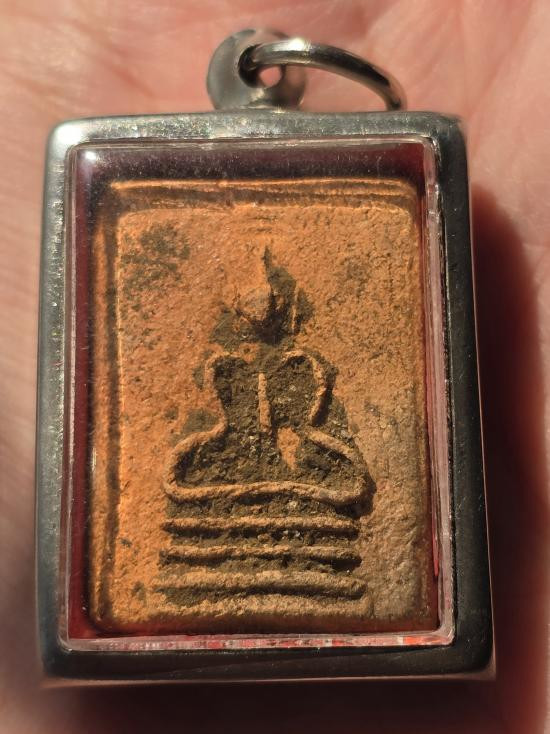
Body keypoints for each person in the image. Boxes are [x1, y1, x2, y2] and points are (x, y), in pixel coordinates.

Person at [0, 1, 548, 732]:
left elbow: (308, 439)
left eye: (275, 304)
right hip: (231, 479)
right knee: (189, 476)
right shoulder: (220, 362)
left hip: (300, 473)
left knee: (338, 486)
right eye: (250, 307)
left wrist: (296, 441)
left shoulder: (306, 366)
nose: (262, 314)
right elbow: (219, 441)